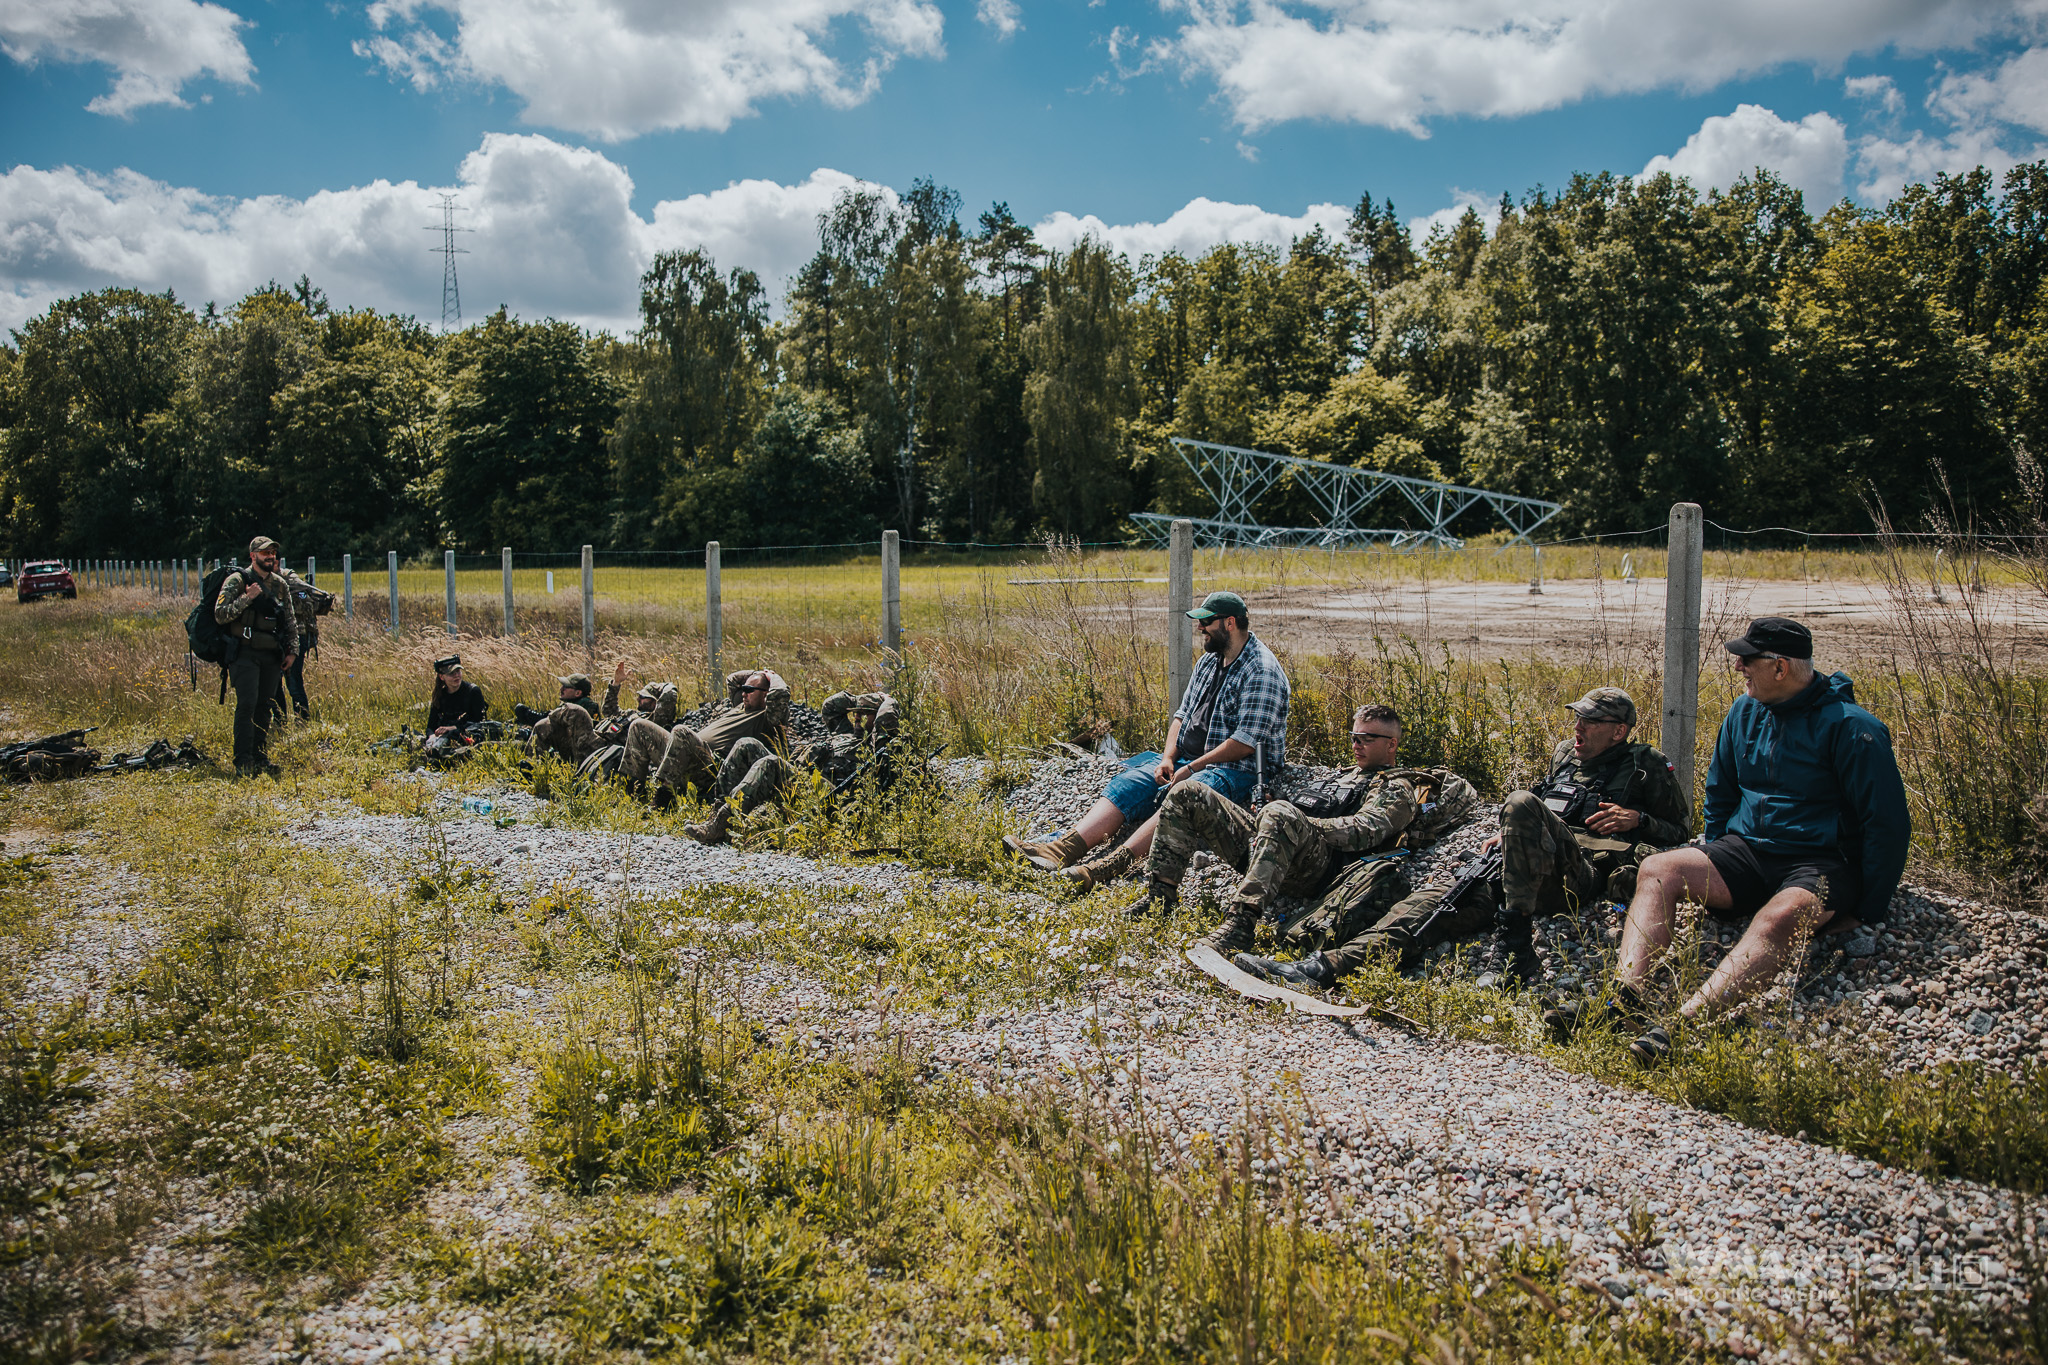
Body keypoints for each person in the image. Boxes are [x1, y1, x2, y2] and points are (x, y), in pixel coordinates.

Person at [1593, 618, 1909, 1064]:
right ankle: (1624, 998)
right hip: (1748, 851)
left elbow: (1888, 826)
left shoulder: (1855, 729)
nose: (1738, 665)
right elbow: (1720, 792)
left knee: (1780, 917)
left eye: (1747, 659)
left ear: (1779, 668)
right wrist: (1715, 859)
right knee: (1659, 869)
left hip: (1820, 861)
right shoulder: (1743, 711)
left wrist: (1868, 908)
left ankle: (1680, 1027)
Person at [1234, 687, 1686, 992]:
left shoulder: (1646, 765)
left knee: (1519, 801)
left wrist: (1638, 819)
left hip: (1574, 871)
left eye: (1591, 721)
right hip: (1515, 867)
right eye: (1577, 718)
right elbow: (1543, 805)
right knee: (1432, 904)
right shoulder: (1566, 756)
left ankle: (1515, 950)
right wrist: (1504, 833)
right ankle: (1321, 968)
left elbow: (1682, 832)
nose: (1578, 728)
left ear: (1619, 730)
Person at [1129, 705, 1478, 959]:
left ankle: (1240, 925)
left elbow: (1368, 830)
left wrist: (1295, 821)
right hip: (1280, 847)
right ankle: (1161, 896)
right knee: (1188, 793)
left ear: (1391, 744)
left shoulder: (1396, 785)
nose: (1357, 744)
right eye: (1354, 736)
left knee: (1280, 813)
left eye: (1367, 738)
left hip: (1325, 870)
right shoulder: (1340, 775)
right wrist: (1273, 812)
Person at [1003, 591, 1289, 888]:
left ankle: (1105, 867)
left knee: (1183, 797)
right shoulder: (1208, 662)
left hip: (1233, 769)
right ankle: (1061, 850)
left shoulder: (1261, 670)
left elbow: (1245, 742)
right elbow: (1182, 715)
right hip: (1187, 759)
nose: (1200, 627)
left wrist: (1191, 770)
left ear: (1229, 623)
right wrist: (1167, 758)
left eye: (1206, 621)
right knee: (1128, 785)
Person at [683, 689, 900, 845]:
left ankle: (722, 824)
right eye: (857, 713)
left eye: (866, 714)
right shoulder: (845, 732)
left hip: (829, 795)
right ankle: (718, 815)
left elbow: (886, 722)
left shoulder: (878, 744)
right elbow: (831, 706)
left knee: (771, 763)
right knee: (746, 745)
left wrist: (888, 702)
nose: (858, 718)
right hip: (802, 777)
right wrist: (860, 700)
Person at [618, 669, 791, 808]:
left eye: (749, 690)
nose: (744, 694)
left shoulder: (768, 717)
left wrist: (772, 676)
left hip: (709, 767)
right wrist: (758, 672)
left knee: (681, 732)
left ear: (766, 694)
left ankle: (665, 799)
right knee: (639, 726)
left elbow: (781, 694)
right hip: (681, 755)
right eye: (743, 690)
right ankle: (632, 795)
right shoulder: (740, 705)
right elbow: (733, 680)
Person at [212, 536, 299, 777]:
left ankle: (260, 756)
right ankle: (242, 760)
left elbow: (289, 620)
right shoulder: (237, 581)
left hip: (271, 655)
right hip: (244, 653)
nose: (270, 557)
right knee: (247, 704)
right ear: (253, 556)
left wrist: (293, 651)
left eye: (272, 552)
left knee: (265, 706)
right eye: (264, 553)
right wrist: (247, 598)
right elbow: (220, 614)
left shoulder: (280, 584)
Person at [272, 565, 332, 723]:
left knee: (293, 682)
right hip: (274, 638)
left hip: (297, 636)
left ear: (277, 562)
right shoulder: (263, 579)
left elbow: (305, 605)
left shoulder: (291, 581)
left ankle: (302, 720)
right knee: (274, 682)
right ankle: (280, 721)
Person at [521, 673, 603, 766]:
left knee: (542, 726)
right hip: (570, 748)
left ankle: (531, 765)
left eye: (566, 687)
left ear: (578, 693)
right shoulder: (568, 704)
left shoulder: (586, 706)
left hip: (582, 754)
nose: (561, 689)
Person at [427, 655, 488, 735]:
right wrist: (431, 738)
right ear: (441, 677)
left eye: (458, 671)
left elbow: (480, 723)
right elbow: (430, 726)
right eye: (451, 673)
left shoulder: (473, 691)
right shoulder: (439, 694)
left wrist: (453, 728)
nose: (456, 676)